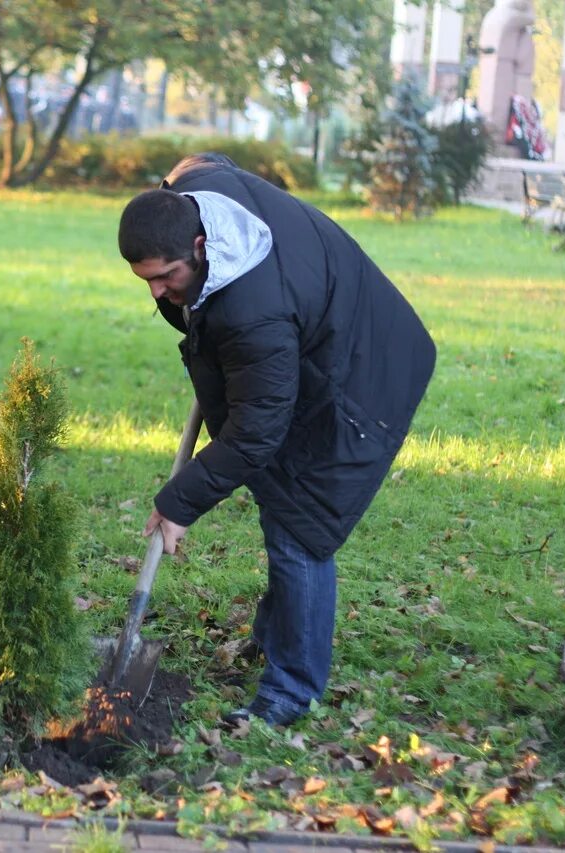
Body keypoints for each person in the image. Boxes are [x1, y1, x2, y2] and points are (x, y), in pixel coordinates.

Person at [117, 154, 436, 727]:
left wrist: (178, 502)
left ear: (198, 244)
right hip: (313, 338)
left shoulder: (252, 313)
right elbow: (205, 163)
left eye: (167, 277)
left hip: (363, 377)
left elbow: (256, 432)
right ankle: (275, 634)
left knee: (299, 525)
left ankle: (291, 691)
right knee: (280, 503)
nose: (160, 293)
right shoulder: (193, 192)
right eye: (147, 281)